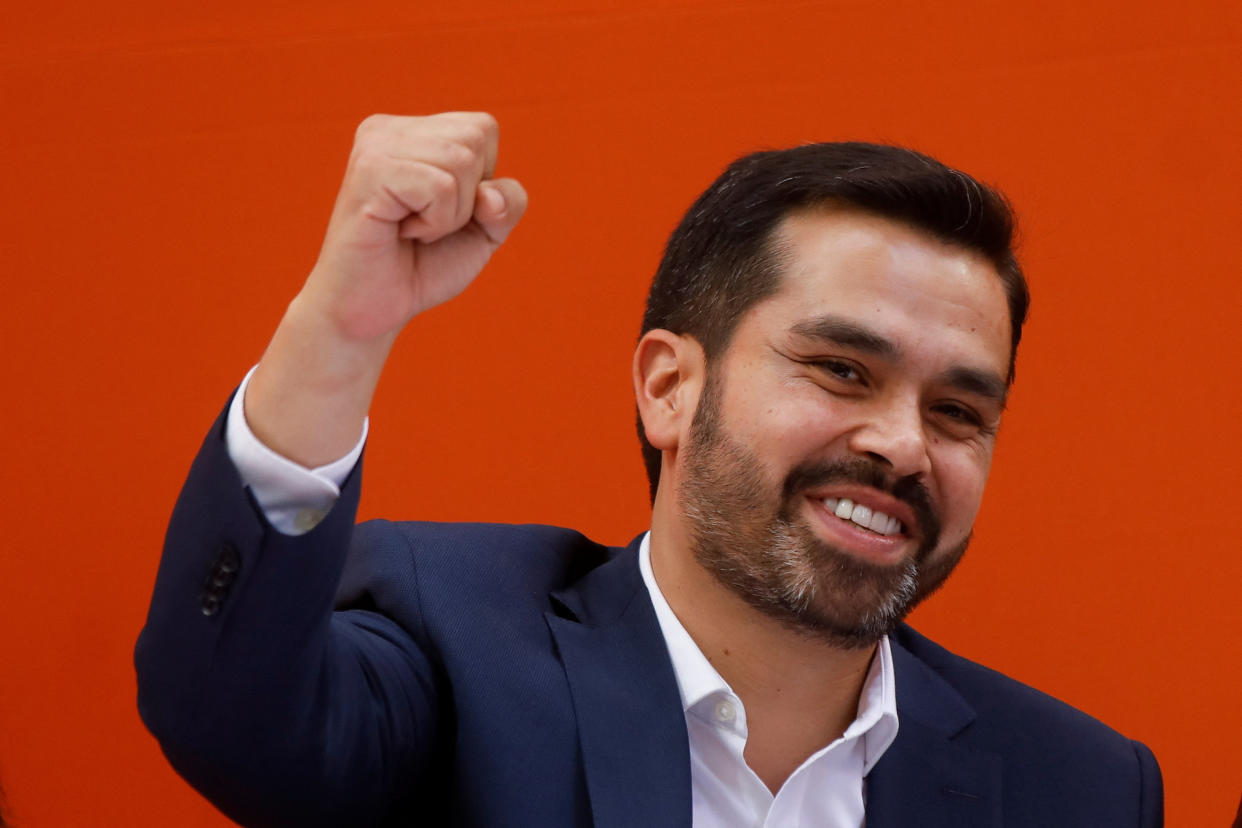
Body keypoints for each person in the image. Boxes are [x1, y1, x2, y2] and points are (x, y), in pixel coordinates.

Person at [135, 112, 1163, 827]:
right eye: (842, 370)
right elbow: (228, 714)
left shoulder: (1082, 789)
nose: (903, 444)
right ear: (669, 388)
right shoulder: (457, 651)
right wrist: (341, 330)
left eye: (958, 413)